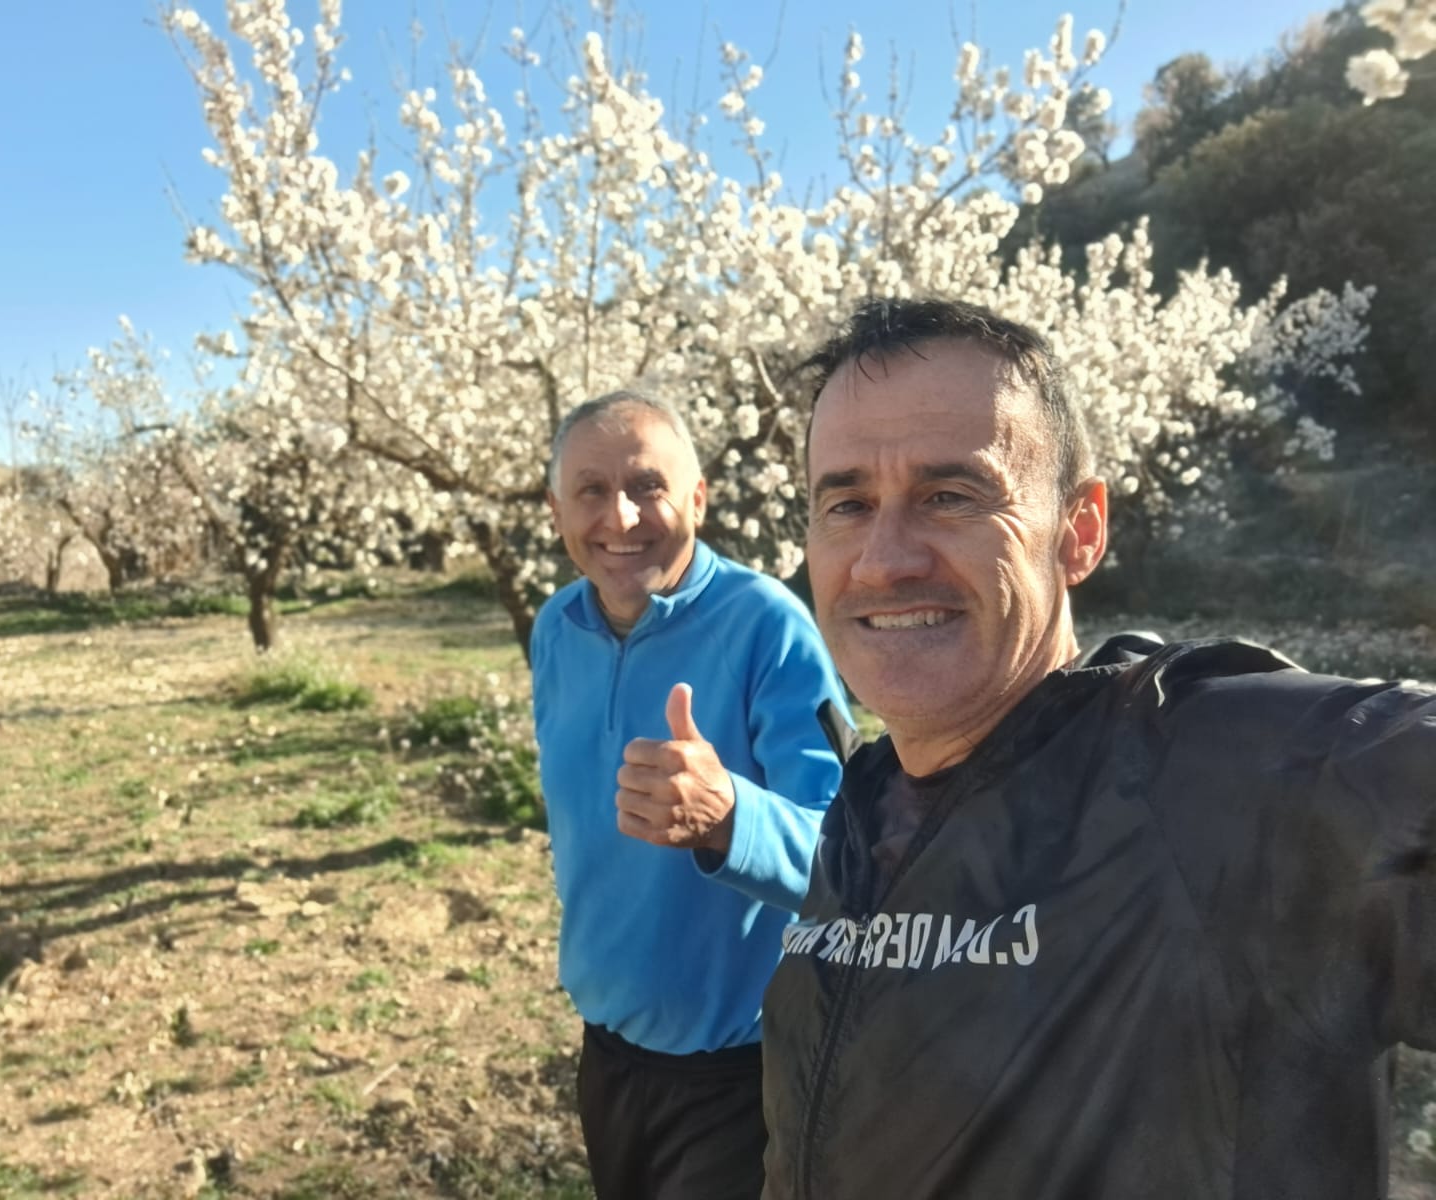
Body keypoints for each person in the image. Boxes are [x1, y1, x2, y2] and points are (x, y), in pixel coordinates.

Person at [760, 297, 1436, 1200]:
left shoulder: (1220, 777)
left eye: (950, 497)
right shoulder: (865, 805)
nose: (884, 561)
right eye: (847, 503)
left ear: (1078, 532)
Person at [530, 390, 850, 1200]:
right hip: (606, 1051)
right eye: (592, 491)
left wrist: (730, 817)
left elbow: (850, 857)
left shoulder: (768, 626)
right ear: (557, 511)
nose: (621, 517)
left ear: (698, 499)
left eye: (648, 486)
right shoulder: (554, 629)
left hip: (738, 1072)